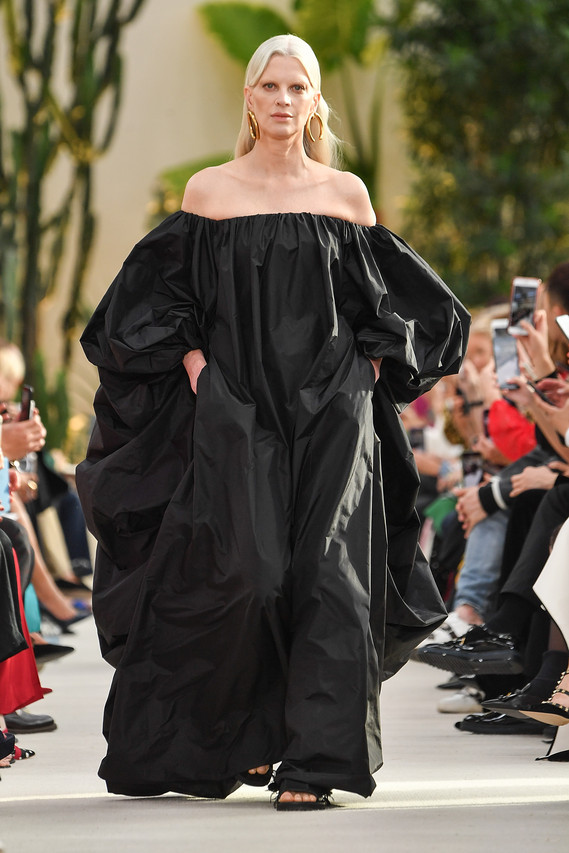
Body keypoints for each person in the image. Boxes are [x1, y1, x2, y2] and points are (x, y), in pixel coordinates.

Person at [77, 34, 469, 810]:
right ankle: (249, 739)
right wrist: (200, 374)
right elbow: (153, 304)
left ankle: (315, 764)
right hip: (234, 410)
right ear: (249, 98)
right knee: (247, 574)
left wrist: (366, 372)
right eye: (270, 85)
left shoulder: (346, 196)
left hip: (334, 414)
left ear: (314, 101)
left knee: (329, 577)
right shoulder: (209, 193)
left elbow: (402, 307)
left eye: (297, 86)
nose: (283, 99)